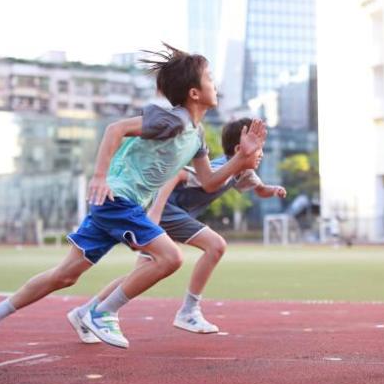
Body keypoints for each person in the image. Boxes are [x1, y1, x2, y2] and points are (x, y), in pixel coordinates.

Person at [0, 43, 266, 357]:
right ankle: (102, 312)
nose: (215, 85)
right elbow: (116, 128)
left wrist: (241, 160)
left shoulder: (197, 135)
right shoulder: (171, 121)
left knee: (65, 275)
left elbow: (208, 182)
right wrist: (99, 176)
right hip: (116, 198)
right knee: (169, 257)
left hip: (120, 204)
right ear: (193, 93)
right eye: (209, 78)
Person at [67, 118, 286, 342]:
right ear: (240, 149)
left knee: (140, 274)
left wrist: (273, 190)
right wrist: (156, 212)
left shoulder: (244, 173)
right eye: (259, 149)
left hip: (168, 218)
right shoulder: (220, 168)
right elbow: (177, 174)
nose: (261, 154)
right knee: (216, 245)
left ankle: (85, 312)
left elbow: (259, 189)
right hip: (168, 213)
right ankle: (189, 311)